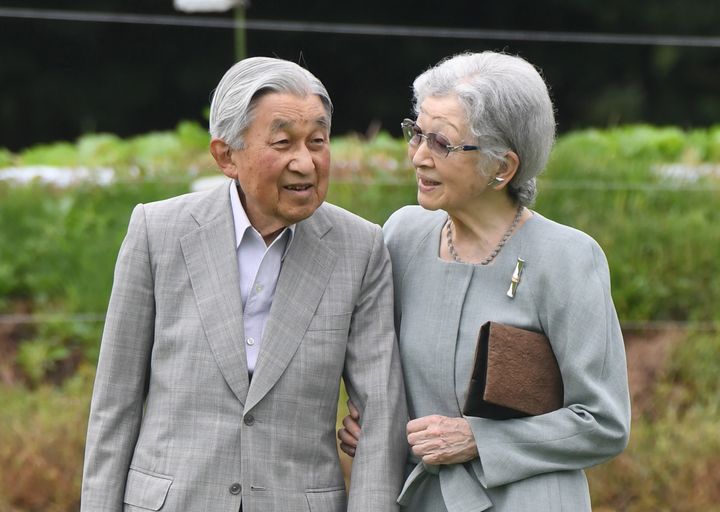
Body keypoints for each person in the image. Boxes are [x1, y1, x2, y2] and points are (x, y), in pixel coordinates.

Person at [81, 56, 407, 512]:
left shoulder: (361, 247)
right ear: (226, 156)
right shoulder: (158, 231)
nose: (305, 163)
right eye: (283, 142)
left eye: (318, 141)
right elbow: (114, 404)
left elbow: (380, 412)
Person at [338, 51, 631, 511]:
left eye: (442, 143)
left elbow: (604, 423)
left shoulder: (567, 258)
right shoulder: (402, 236)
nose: (418, 157)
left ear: (502, 167)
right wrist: (379, 429)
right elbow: (390, 377)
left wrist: (479, 438)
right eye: (416, 133)